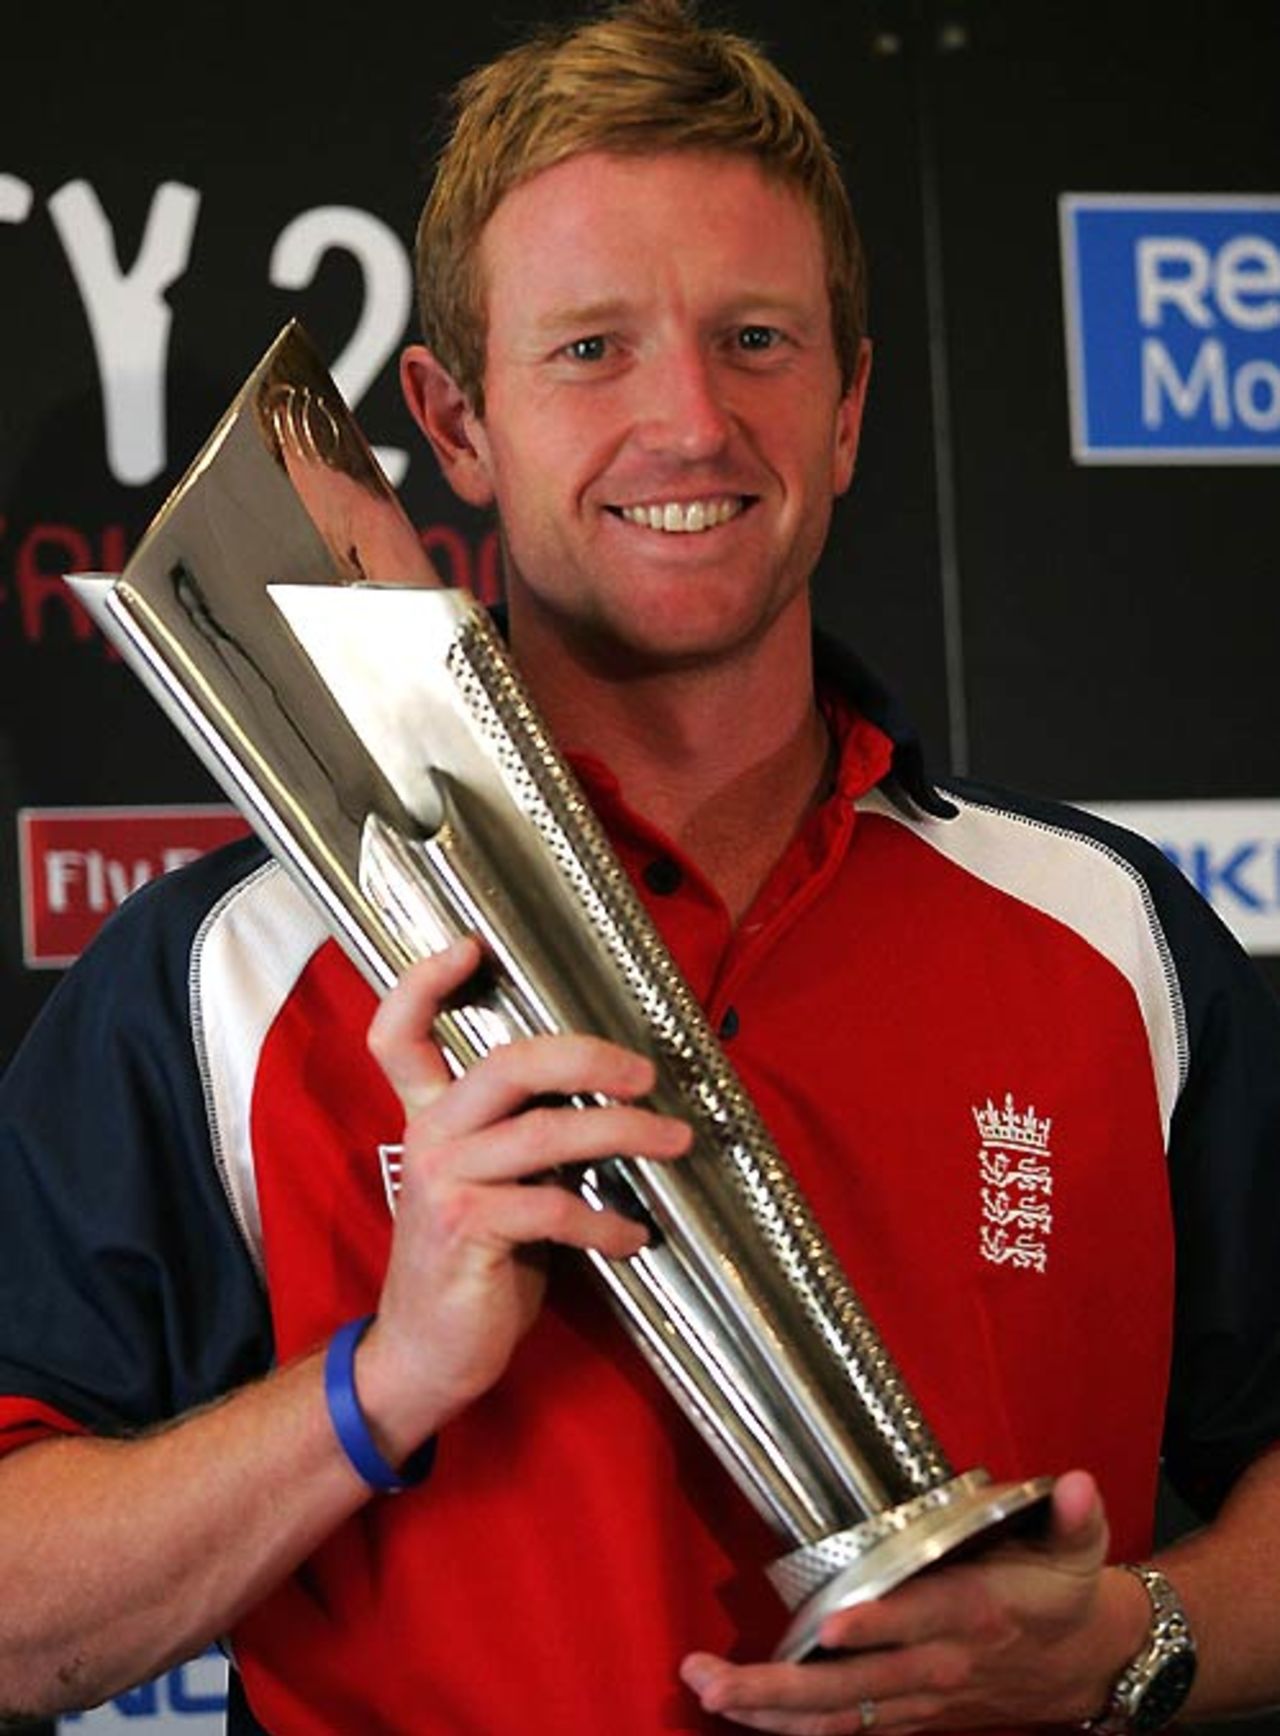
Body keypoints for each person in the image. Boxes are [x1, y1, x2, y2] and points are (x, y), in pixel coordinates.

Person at [3, 2, 1280, 1731]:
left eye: (756, 338)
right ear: (455, 424)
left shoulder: (1111, 936)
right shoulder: (221, 978)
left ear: (846, 407)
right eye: (590, 349)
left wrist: (1138, 1640)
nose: (690, 419)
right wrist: (381, 1385)